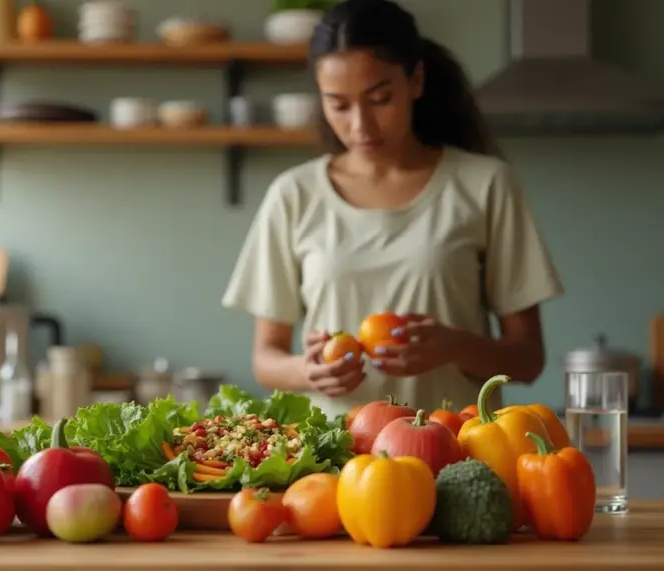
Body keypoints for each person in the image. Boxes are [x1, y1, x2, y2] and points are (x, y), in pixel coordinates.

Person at [220, 0, 564, 419]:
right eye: (339, 105)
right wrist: (308, 371)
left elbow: (528, 359)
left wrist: (452, 346)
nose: (361, 126)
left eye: (379, 98)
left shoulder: (486, 185)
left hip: (457, 452)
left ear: (415, 80)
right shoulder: (294, 194)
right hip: (336, 462)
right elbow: (266, 358)